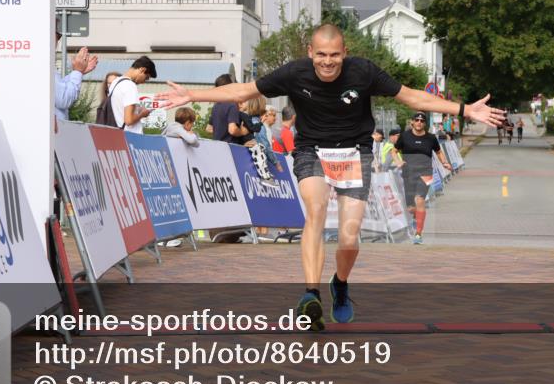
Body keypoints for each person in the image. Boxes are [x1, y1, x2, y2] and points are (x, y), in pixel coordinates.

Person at [154, 23, 504, 330]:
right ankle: (310, 295)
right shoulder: (295, 73)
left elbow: (411, 97)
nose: (327, 62)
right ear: (310, 52)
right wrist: (193, 94)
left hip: (354, 153)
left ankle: (340, 283)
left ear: (344, 53)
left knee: (349, 238)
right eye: (320, 54)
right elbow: (243, 91)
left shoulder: (363, 72)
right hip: (311, 152)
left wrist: (464, 109)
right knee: (316, 212)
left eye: (334, 55)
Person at [395, 111, 452, 244]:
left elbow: (438, 151)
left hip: (426, 173)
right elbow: (394, 150)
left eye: (422, 121)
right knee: (410, 208)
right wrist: (398, 161)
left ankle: (419, 234)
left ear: (425, 124)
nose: (419, 123)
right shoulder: (404, 136)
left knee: (419, 199)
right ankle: (416, 216)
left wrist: (444, 162)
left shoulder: (431, 138)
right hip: (408, 173)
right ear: (412, 122)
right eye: (417, 120)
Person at [54, 17, 98, 121]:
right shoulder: (44, 64)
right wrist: (77, 72)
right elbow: (64, 99)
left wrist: (78, 72)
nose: (58, 40)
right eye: (58, 35)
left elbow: (58, 89)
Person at [108, 55, 156, 133]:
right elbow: (129, 120)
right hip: (130, 136)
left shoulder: (115, 83)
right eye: (146, 78)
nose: (144, 82)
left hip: (117, 132)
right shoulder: (130, 86)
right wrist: (143, 114)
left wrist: (137, 110)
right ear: (142, 70)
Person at [208, 73, 248, 143]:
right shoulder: (232, 105)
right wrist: (242, 132)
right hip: (230, 147)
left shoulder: (216, 106)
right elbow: (232, 130)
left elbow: (209, 128)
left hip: (217, 146)